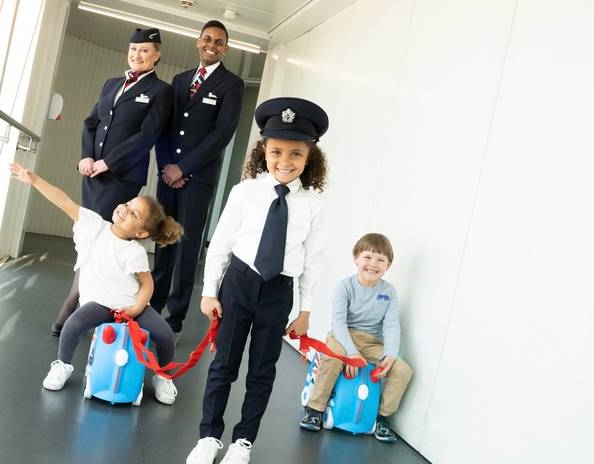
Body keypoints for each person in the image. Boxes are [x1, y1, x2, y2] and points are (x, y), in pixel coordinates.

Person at [186, 98, 329, 464]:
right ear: (263, 150)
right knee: (224, 366)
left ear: (309, 157)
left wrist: (306, 309)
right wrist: (208, 291)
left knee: (263, 370)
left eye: (296, 154)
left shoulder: (313, 204)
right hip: (238, 283)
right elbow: (220, 242)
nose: (285, 161)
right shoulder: (245, 192)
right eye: (277, 151)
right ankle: (209, 437)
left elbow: (312, 260)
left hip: (278, 292)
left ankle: (243, 441)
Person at [8, 161, 184, 404]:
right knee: (73, 324)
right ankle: (63, 365)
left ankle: (163, 377)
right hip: (99, 303)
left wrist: (136, 308)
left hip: (129, 305)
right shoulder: (93, 225)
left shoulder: (135, 252)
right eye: (128, 204)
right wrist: (34, 179)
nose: (124, 208)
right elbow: (63, 201)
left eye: (134, 213)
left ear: (142, 233)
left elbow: (147, 285)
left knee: (164, 334)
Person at [52, 27, 175, 337]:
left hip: (121, 177)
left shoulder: (161, 92)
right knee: (89, 237)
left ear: (156, 56)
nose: (137, 54)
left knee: (103, 243)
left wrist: (108, 162)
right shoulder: (111, 84)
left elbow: (147, 135)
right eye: (133, 49)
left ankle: (74, 306)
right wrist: (87, 156)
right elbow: (91, 122)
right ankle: (81, 306)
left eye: (144, 50)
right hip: (93, 174)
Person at [151, 20, 244, 341]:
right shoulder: (178, 81)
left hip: (197, 179)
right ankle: (152, 309)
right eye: (207, 39)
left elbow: (222, 134)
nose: (212, 45)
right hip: (168, 176)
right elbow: (164, 128)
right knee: (163, 243)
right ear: (198, 41)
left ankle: (174, 321)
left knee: (186, 250)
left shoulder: (231, 84)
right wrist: (166, 166)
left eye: (219, 42)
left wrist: (184, 169)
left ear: (225, 48)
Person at [299, 233, 414, 442]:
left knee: (403, 370)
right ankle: (315, 408)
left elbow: (391, 325)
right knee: (333, 358)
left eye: (381, 260)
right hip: (342, 336)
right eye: (368, 257)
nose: (373, 264)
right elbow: (339, 323)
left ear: (388, 265)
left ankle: (381, 418)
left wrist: (390, 353)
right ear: (356, 258)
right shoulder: (345, 286)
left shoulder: (389, 291)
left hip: (372, 342)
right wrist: (351, 353)